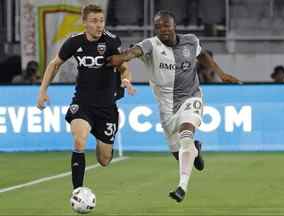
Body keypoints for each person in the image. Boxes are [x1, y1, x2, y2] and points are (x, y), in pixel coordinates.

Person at [108, 10, 240, 202]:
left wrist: (221, 73)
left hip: (190, 97)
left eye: (166, 25)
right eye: (158, 26)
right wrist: (121, 58)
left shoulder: (190, 41)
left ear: (174, 25)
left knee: (186, 135)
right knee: (179, 153)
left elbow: (202, 55)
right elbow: (133, 52)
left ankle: (181, 187)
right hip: (166, 106)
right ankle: (195, 150)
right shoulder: (150, 45)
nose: (162, 29)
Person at [36, 4, 135, 191]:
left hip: (106, 106)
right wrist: (42, 91)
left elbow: (124, 67)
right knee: (79, 140)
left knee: (104, 159)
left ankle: (105, 141)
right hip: (83, 103)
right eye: (94, 21)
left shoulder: (112, 42)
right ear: (84, 23)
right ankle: (78, 192)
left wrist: (126, 80)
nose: (99, 25)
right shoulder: (74, 42)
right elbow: (54, 64)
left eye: (101, 21)